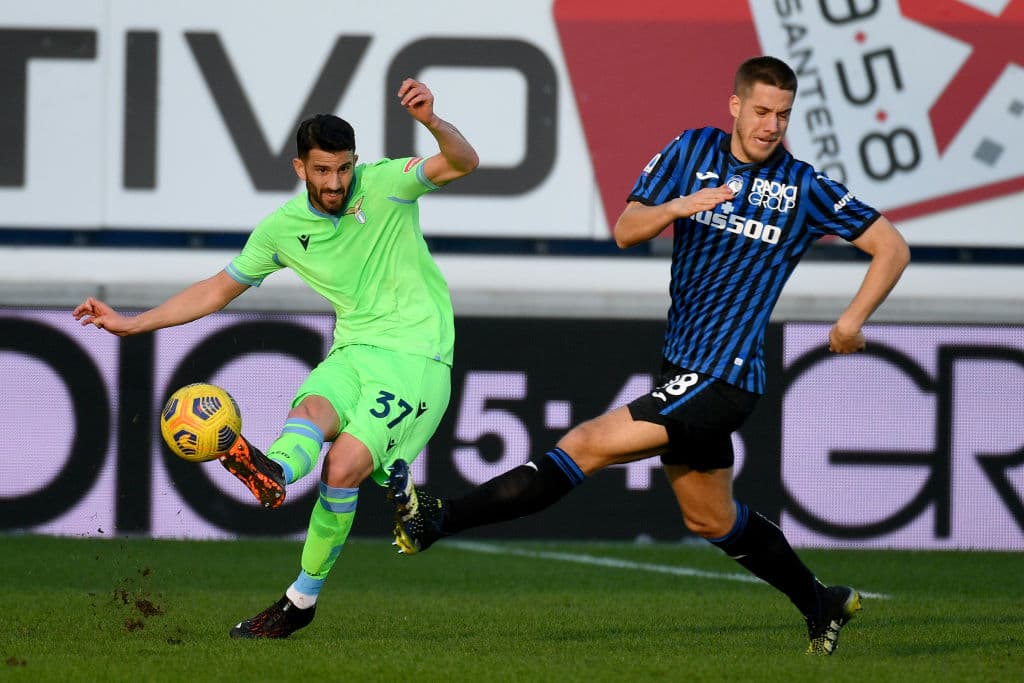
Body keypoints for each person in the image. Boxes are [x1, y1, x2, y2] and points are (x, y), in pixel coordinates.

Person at [387, 56, 910, 655]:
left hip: (727, 373)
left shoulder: (804, 187)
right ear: (735, 105)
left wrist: (851, 321)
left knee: (585, 443)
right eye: (762, 111)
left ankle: (438, 519)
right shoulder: (691, 151)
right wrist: (677, 208)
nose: (771, 125)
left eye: (783, 115)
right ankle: (821, 601)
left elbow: (890, 247)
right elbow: (627, 228)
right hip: (683, 367)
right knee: (710, 520)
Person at [73, 78, 479, 639]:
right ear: (299, 169)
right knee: (311, 406)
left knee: (342, 468)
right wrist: (133, 323)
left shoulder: (388, 183)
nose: (334, 183)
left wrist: (433, 121)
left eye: (342, 169)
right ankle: (275, 470)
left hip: (418, 356)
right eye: (321, 171)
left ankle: (301, 601)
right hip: (354, 351)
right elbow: (217, 289)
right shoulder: (282, 231)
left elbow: (463, 161)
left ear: (354, 162)